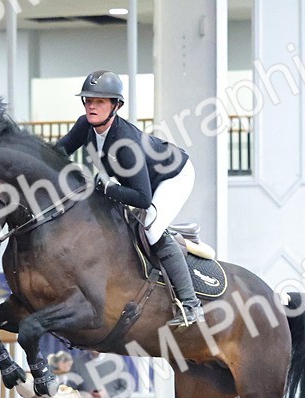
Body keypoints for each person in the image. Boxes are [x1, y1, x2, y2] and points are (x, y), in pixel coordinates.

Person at [55, 70, 203, 327]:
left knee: (152, 229)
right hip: (141, 180)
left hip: (173, 176)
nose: (91, 106)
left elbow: (143, 199)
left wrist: (104, 187)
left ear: (116, 106)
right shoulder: (84, 126)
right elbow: (58, 152)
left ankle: (191, 305)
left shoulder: (125, 143)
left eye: (100, 101)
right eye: (88, 100)